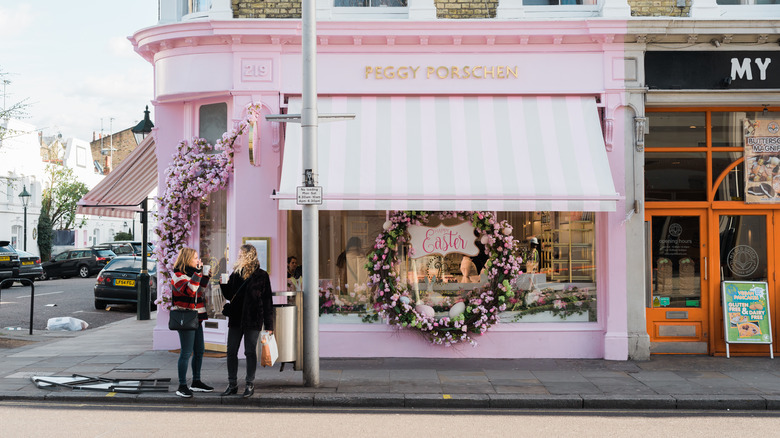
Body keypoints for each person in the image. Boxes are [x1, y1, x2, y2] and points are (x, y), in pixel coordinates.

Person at [219, 244, 274, 398]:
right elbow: (230, 295)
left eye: (241, 253)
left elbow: (267, 301)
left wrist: (269, 325)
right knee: (231, 351)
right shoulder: (236, 273)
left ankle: (249, 384)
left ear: (248, 255)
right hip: (236, 318)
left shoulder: (262, 275)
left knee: (249, 351)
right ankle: (232, 384)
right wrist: (223, 283)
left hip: (253, 318)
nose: (239, 255)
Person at [170, 247, 214, 398]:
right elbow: (190, 291)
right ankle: (182, 385)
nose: (198, 260)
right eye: (195, 258)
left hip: (196, 317)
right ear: (187, 259)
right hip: (186, 318)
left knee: (199, 351)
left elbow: (199, 291)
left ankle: (196, 382)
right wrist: (198, 273)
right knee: (186, 352)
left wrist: (205, 276)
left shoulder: (191, 274)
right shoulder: (178, 275)